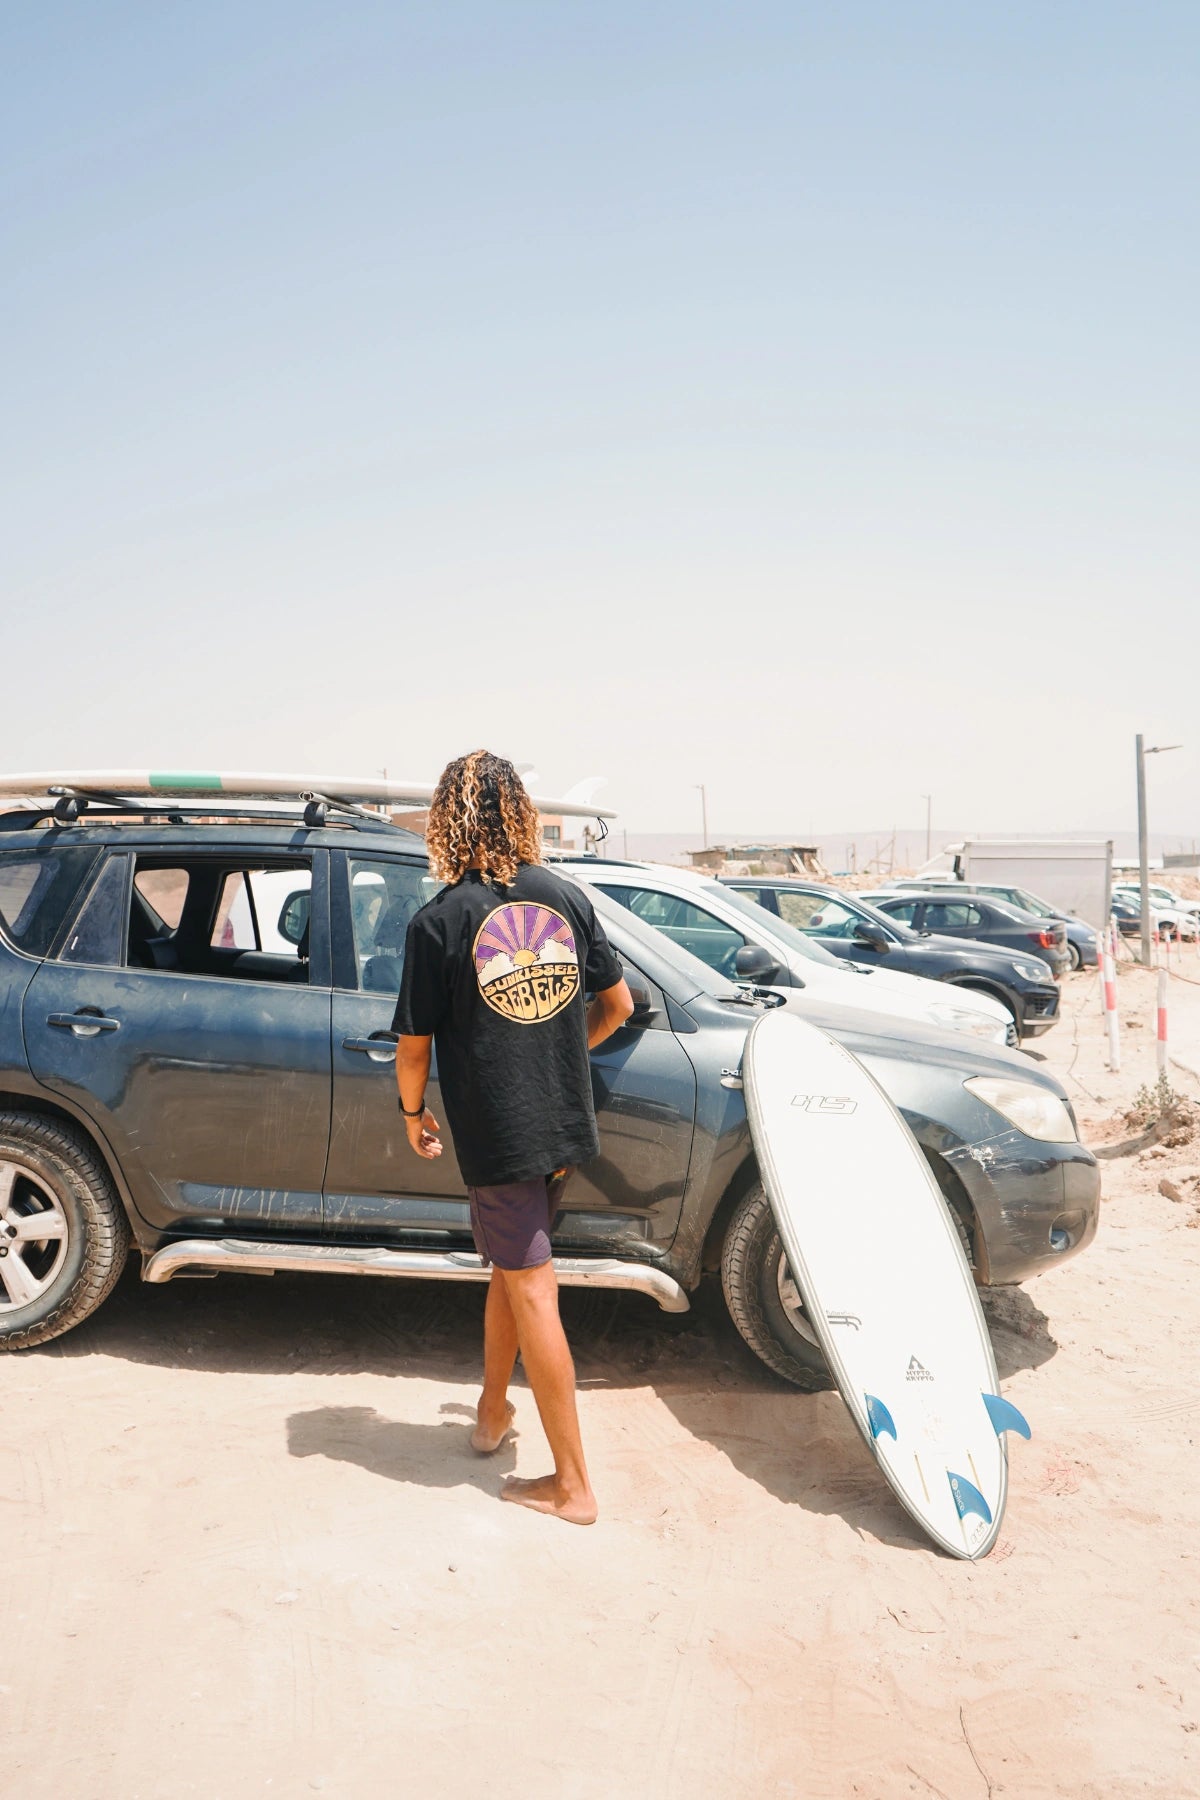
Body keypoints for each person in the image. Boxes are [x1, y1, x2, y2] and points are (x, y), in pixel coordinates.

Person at [392, 750, 633, 1525]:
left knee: (532, 1288)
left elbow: (414, 1048)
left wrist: (410, 1113)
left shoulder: (439, 920)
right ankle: (492, 1415)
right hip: (563, 1126)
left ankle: (573, 1487)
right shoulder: (565, 897)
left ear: (447, 820)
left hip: (501, 1137)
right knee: (509, 1269)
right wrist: (558, 1062)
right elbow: (617, 1007)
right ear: (520, 812)